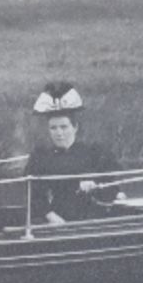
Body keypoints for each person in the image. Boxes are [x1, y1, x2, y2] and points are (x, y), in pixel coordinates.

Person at [24, 82, 120, 225]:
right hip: (57, 219)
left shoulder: (93, 153)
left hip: (92, 219)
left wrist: (95, 185)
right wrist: (50, 215)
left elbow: (113, 186)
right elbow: (33, 194)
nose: (59, 133)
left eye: (64, 127)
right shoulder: (41, 157)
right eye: (53, 128)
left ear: (75, 127)